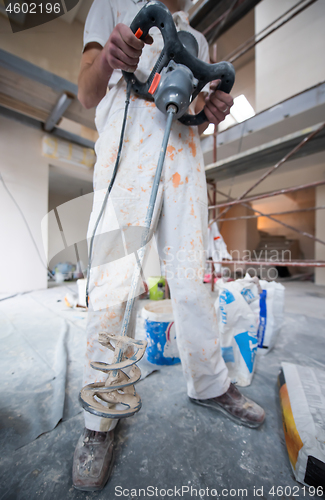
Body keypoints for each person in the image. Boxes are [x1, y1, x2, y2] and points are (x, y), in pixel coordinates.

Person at [73, 0, 265, 491]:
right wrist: (109, 58)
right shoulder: (112, 4)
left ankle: (209, 384)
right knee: (113, 282)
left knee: (192, 275)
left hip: (183, 150)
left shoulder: (195, 39)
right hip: (128, 140)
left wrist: (212, 107)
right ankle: (100, 419)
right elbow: (85, 92)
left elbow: (200, 110)